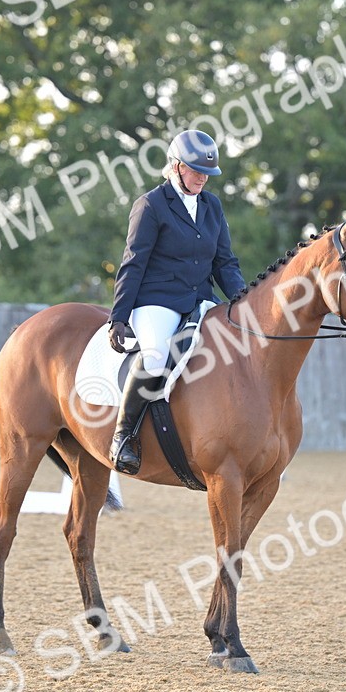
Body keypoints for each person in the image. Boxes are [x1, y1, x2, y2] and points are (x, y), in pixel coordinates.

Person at [106, 129, 246, 474]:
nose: (202, 179)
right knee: (155, 359)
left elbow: (224, 262)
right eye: (196, 171)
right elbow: (133, 262)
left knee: (239, 348)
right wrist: (119, 316)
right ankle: (124, 435)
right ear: (176, 166)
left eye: (207, 174)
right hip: (158, 300)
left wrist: (243, 302)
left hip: (200, 298)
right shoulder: (151, 205)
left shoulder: (212, 206)